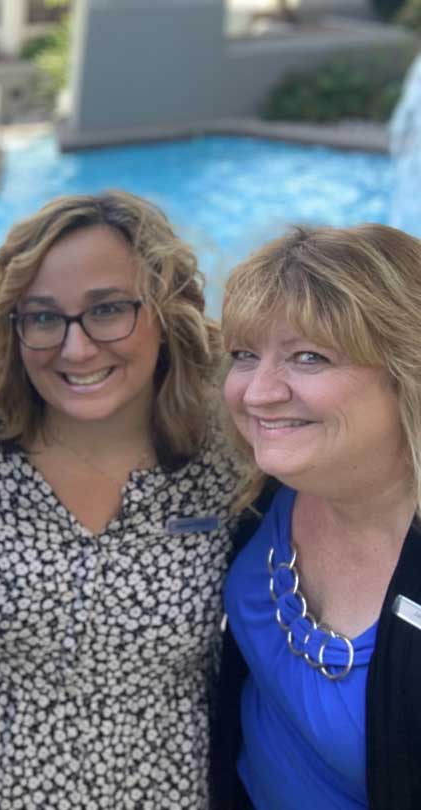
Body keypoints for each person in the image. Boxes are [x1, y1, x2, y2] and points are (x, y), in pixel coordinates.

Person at [0, 190, 238, 809]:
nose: (76, 348)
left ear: (166, 310)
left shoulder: (228, 437)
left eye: (109, 309)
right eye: (42, 317)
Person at [210, 224, 421, 810]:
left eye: (308, 357)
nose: (257, 393)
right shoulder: (266, 489)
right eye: (246, 356)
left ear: (408, 373)